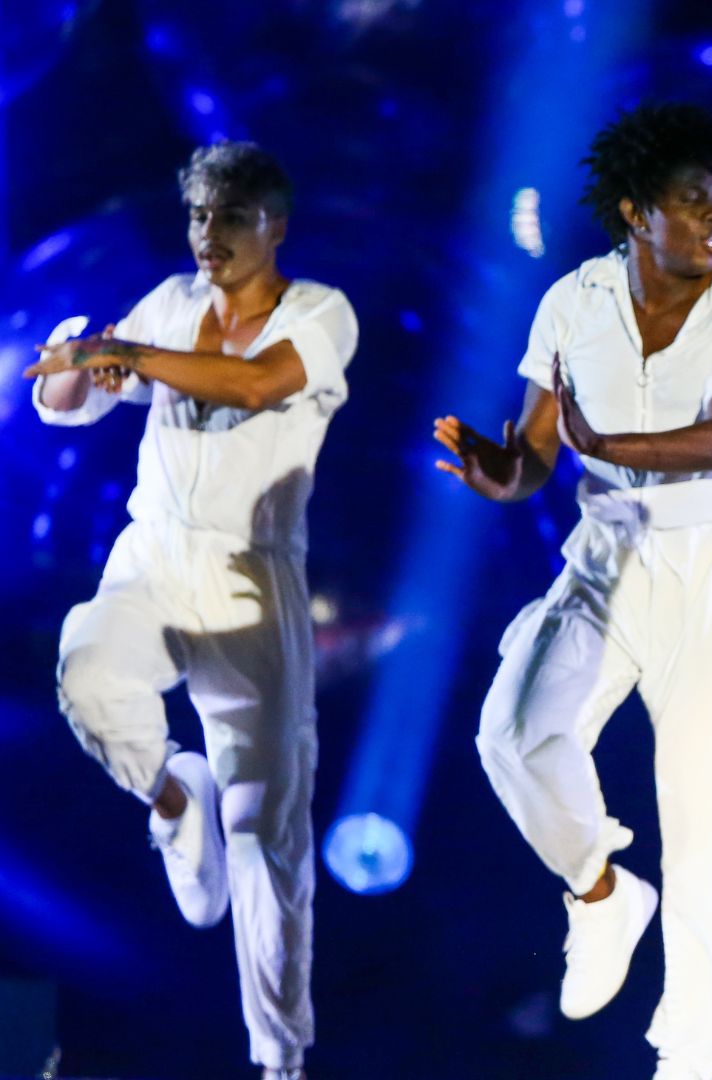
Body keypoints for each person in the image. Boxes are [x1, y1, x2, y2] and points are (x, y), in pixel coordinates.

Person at [433, 103, 712, 1080]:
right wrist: (493, 470)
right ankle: (599, 895)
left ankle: (692, 1060)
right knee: (511, 730)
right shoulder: (572, 304)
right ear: (635, 211)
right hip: (606, 551)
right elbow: (536, 455)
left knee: (708, 822)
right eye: (690, 202)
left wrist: (611, 446)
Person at [25, 141, 358, 1080]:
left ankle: (280, 1060)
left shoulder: (321, 313)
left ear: (275, 227)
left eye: (229, 218)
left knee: (267, 839)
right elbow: (77, 401)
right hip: (155, 552)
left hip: (251, 583)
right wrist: (76, 361)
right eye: (198, 217)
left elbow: (256, 384)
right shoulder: (168, 306)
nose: (207, 236)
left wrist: (130, 355)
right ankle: (175, 798)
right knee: (87, 669)